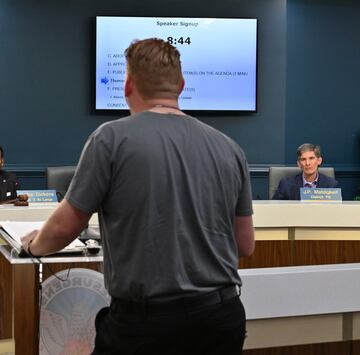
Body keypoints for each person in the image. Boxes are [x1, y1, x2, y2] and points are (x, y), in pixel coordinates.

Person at [20, 38, 255, 355]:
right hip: (221, 318)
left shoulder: (110, 138)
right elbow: (245, 245)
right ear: (181, 85)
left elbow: (65, 227)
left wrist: (33, 246)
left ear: (128, 84)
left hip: (146, 326)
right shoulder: (230, 148)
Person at [272, 143, 339, 200]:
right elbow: (274, 209)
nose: (307, 163)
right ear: (299, 164)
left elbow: (335, 211)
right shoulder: (286, 185)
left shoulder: (331, 185)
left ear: (319, 161)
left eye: (311, 158)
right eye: (303, 159)